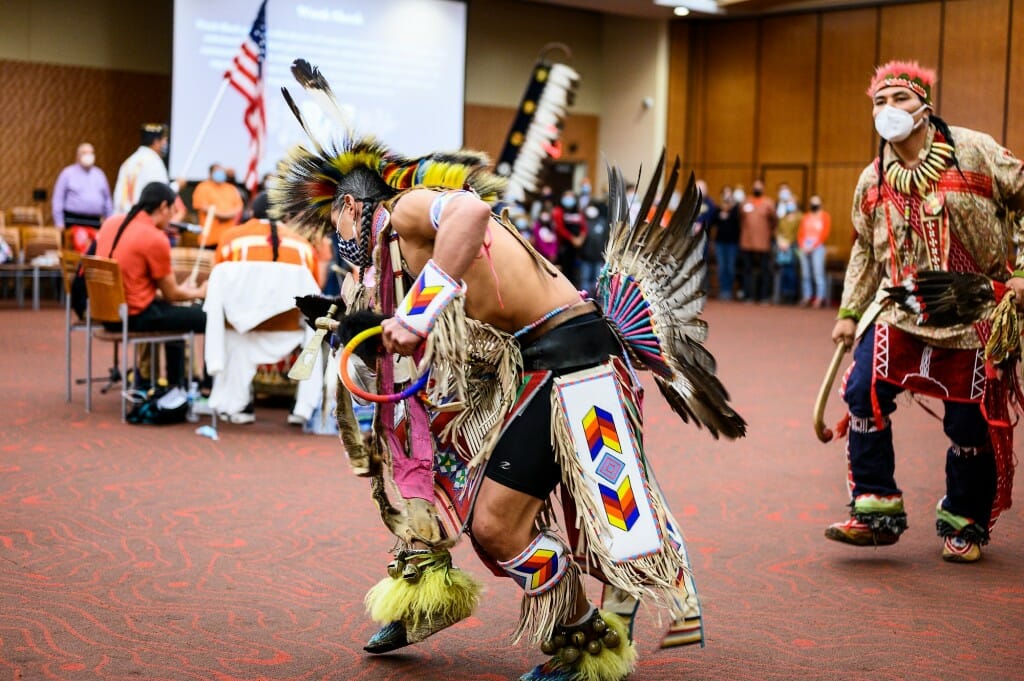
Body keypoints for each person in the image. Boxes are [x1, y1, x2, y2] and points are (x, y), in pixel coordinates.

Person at [272, 67, 744, 681]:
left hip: (575, 363)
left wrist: (416, 313)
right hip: (535, 368)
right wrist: (346, 326)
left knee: (518, 522)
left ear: (351, 206)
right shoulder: (393, 248)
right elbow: (396, 342)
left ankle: (588, 642)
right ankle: (531, 621)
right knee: (473, 494)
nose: (336, 238)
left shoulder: (409, 208)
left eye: (333, 223)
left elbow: (469, 211)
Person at [826, 60, 1024, 563]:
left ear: (925, 108)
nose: (888, 110)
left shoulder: (975, 151)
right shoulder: (872, 178)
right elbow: (865, 250)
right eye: (879, 102)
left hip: (974, 309)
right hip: (903, 309)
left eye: (900, 100)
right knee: (862, 388)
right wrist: (850, 309)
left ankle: (965, 518)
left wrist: (1022, 272)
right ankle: (875, 512)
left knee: (969, 425)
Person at [206, 193, 322, 425]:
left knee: (229, 328)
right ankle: (302, 406)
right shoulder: (304, 247)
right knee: (317, 330)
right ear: (284, 215)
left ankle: (238, 403)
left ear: (250, 214)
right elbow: (313, 296)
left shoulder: (230, 240)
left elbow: (217, 285)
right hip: (289, 331)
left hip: (240, 330)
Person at [94, 182, 207, 388]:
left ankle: (173, 386)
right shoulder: (154, 237)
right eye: (173, 211)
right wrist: (199, 291)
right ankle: (181, 387)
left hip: (106, 312)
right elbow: (172, 294)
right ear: (163, 207)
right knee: (205, 316)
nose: (173, 218)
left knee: (176, 316)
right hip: (133, 315)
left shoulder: (112, 223)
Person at [52, 142, 112, 253]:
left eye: (91, 153)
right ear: (78, 156)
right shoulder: (67, 173)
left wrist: (109, 222)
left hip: (95, 223)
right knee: (84, 245)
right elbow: (58, 199)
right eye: (85, 153)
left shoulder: (99, 174)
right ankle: (82, 269)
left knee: (101, 248)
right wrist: (59, 223)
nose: (88, 155)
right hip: (74, 222)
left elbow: (107, 200)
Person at [113, 124, 170, 215]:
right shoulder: (154, 162)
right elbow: (161, 193)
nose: (165, 144)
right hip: (140, 217)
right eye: (164, 140)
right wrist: (177, 186)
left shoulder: (129, 162)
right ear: (156, 142)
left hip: (122, 218)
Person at [738, 179, 776, 303]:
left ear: (763, 188)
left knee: (765, 270)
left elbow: (774, 221)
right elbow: (740, 219)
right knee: (747, 270)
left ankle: (764, 296)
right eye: (755, 186)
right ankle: (748, 295)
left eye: (759, 186)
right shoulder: (745, 202)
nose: (757, 188)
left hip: (763, 242)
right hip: (747, 241)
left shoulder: (768, 203)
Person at [191, 163, 244, 249]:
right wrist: (222, 215)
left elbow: (238, 207)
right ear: (210, 174)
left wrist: (228, 215)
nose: (220, 174)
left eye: (221, 171)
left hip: (229, 238)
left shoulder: (231, 188)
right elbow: (203, 206)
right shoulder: (203, 187)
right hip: (209, 238)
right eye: (217, 171)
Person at [797, 195, 830, 307]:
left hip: (818, 247)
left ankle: (819, 298)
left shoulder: (824, 216)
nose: (814, 204)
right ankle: (807, 296)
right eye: (812, 202)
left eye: (816, 202)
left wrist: (813, 246)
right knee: (805, 274)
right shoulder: (806, 216)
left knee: (818, 273)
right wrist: (802, 245)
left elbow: (824, 233)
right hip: (805, 246)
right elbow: (801, 232)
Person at [712, 185, 741, 300]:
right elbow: (714, 222)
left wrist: (730, 210)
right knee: (721, 267)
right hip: (720, 242)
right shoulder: (718, 209)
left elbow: (737, 221)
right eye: (725, 193)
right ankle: (723, 290)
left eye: (729, 193)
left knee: (730, 267)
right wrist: (721, 214)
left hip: (732, 243)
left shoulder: (736, 209)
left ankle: (729, 290)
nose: (727, 196)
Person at [576, 201, 609, 294]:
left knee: (598, 280)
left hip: (599, 257)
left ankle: (597, 299)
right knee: (585, 279)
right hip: (585, 257)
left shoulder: (602, 222)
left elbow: (606, 239)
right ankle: (585, 298)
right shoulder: (583, 223)